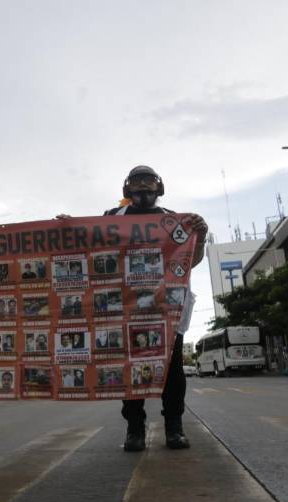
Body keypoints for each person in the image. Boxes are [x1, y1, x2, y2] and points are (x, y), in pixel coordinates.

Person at [61, 165, 208, 452]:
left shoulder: (173, 221)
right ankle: (134, 428)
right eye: (137, 181)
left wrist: (199, 237)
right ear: (128, 188)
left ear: (159, 187)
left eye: (149, 181)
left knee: (173, 370)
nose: (143, 187)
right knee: (129, 368)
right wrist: (66, 227)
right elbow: (85, 241)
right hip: (122, 310)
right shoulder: (111, 219)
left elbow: (191, 260)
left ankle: (174, 427)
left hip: (165, 310)